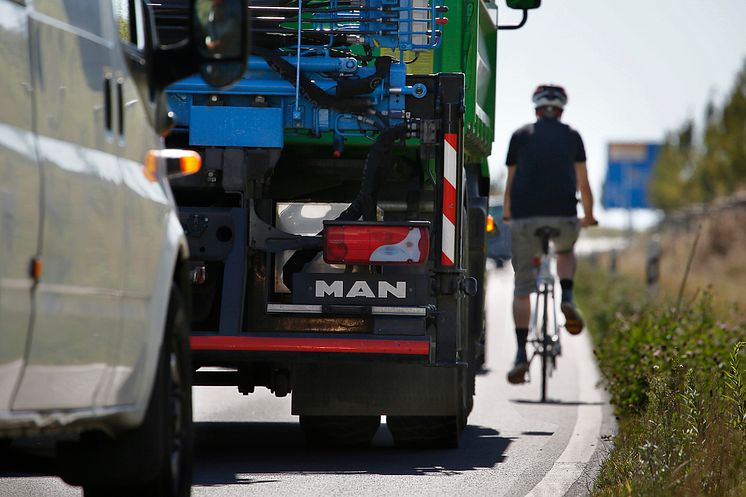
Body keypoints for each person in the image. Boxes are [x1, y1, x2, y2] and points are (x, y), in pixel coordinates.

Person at [502, 84, 597, 385]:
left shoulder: (520, 136)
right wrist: (590, 216)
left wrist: (507, 213)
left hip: (525, 218)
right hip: (564, 216)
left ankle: (520, 354)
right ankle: (566, 296)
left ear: (536, 108)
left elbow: (510, 181)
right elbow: (583, 182)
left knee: (522, 289)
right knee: (565, 250)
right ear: (561, 109)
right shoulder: (572, 137)